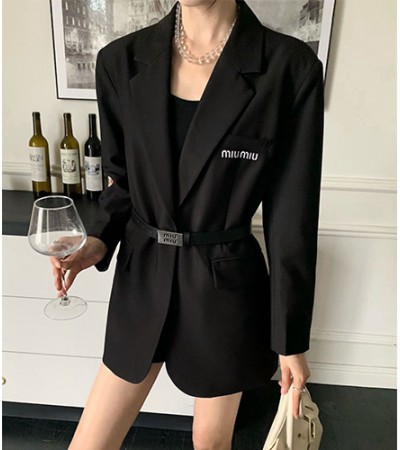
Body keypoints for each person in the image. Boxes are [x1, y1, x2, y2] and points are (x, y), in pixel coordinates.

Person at [51, 0, 324, 449]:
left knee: (211, 444)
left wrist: (290, 338)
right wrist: (97, 240)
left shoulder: (289, 68)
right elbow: (123, 181)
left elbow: (291, 218)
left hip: (223, 287)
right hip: (143, 279)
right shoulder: (120, 61)